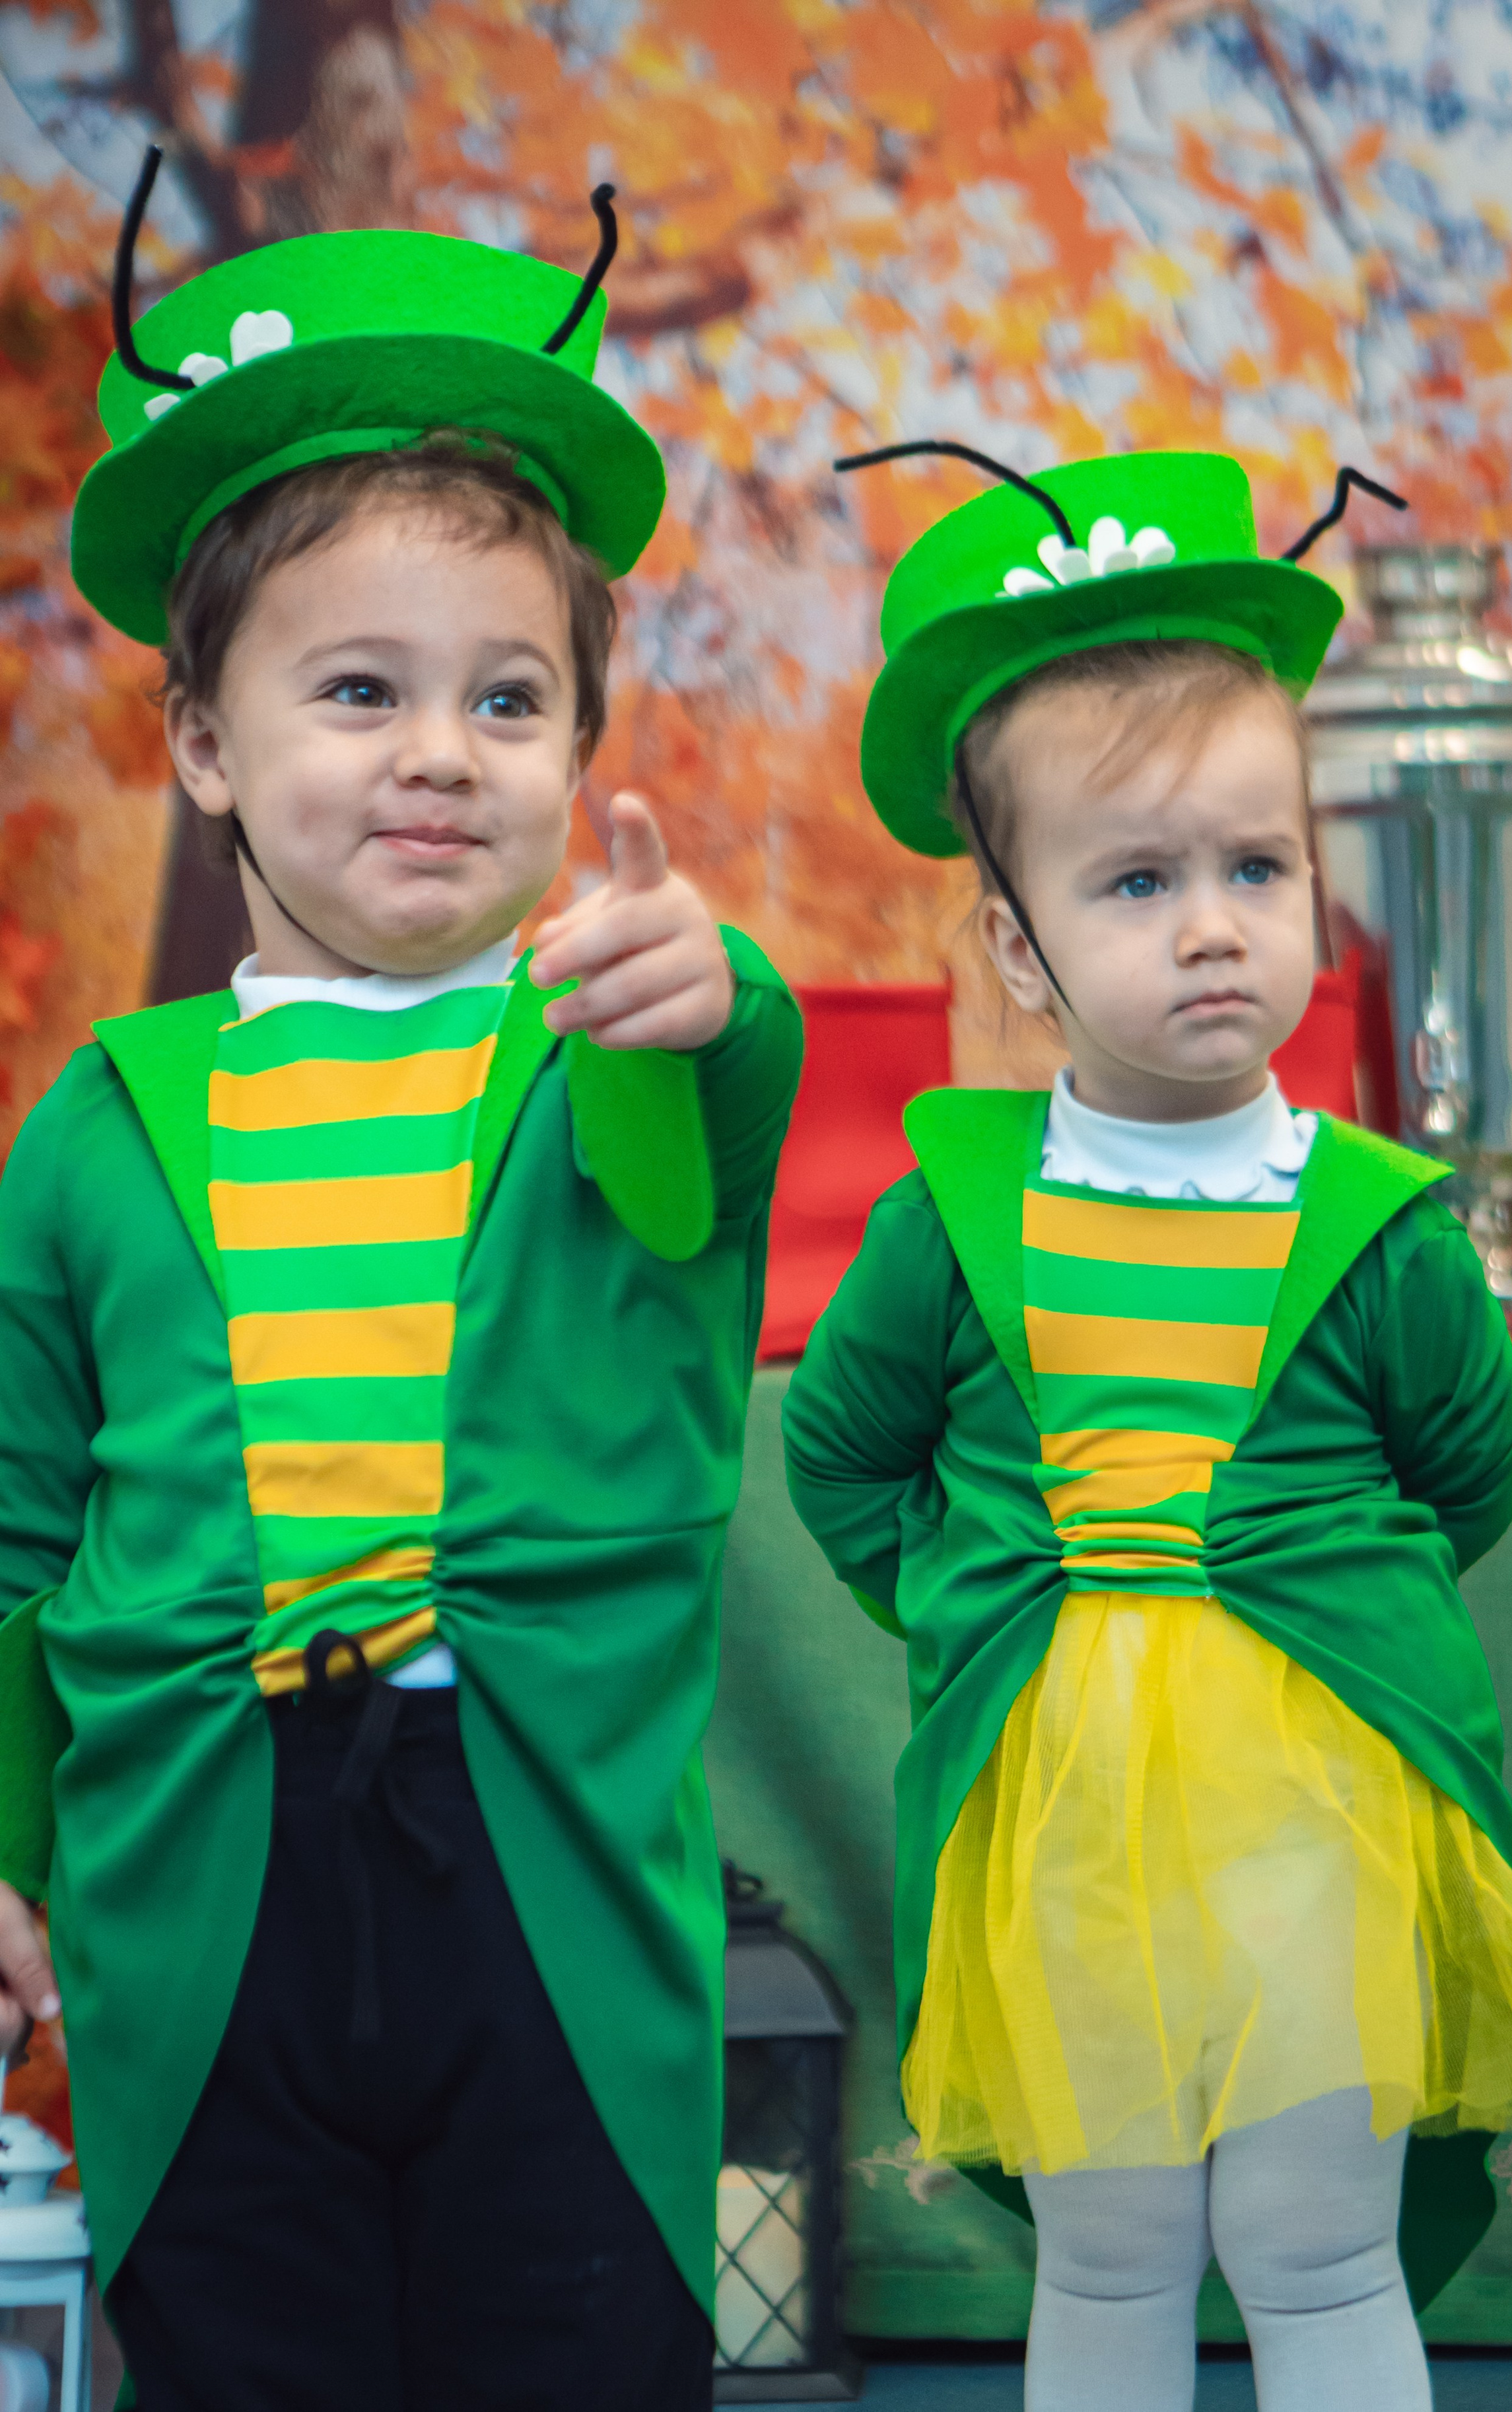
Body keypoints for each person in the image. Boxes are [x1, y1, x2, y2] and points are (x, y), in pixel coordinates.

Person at [0, 156, 802, 2412]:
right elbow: (17, 1529)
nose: (443, 752)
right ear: (202, 744)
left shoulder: (606, 1041)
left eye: (511, 701)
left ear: (578, 753)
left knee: (577, 2353)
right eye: (361, 689)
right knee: (239, 2358)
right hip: (202, 1887)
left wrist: (703, 987)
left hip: (539, 1880)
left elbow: (724, 1072)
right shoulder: (100, 1121)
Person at [782, 444, 1512, 2412]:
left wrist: (1302, 1589)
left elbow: (1466, 1469)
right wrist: (1004, 1587)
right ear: (1020, 947)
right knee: (1112, 2249)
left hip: (1315, 1807)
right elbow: (840, 1454)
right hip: (1063, 1817)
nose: (1211, 928)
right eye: (1137, 882)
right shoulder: (957, 1220)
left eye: (1257, 869)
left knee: (1316, 2246)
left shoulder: (1378, 1225)